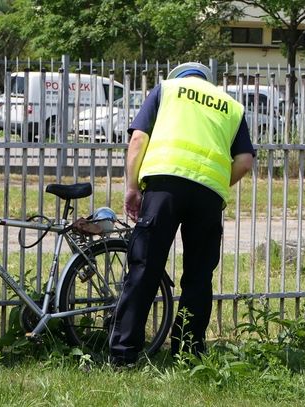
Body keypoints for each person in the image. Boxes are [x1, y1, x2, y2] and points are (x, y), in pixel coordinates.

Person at [109, 62, 255, 366]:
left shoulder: (167, 89)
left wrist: (132, 187)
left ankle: (124, 354)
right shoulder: (231, 106)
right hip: (208, 196)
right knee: (199, 276)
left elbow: (138, 139)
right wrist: (213, 181)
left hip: (164, 185)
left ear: (180, 77)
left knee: (144, 268)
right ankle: (188, 353)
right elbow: (244, 161)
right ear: (208, 82)